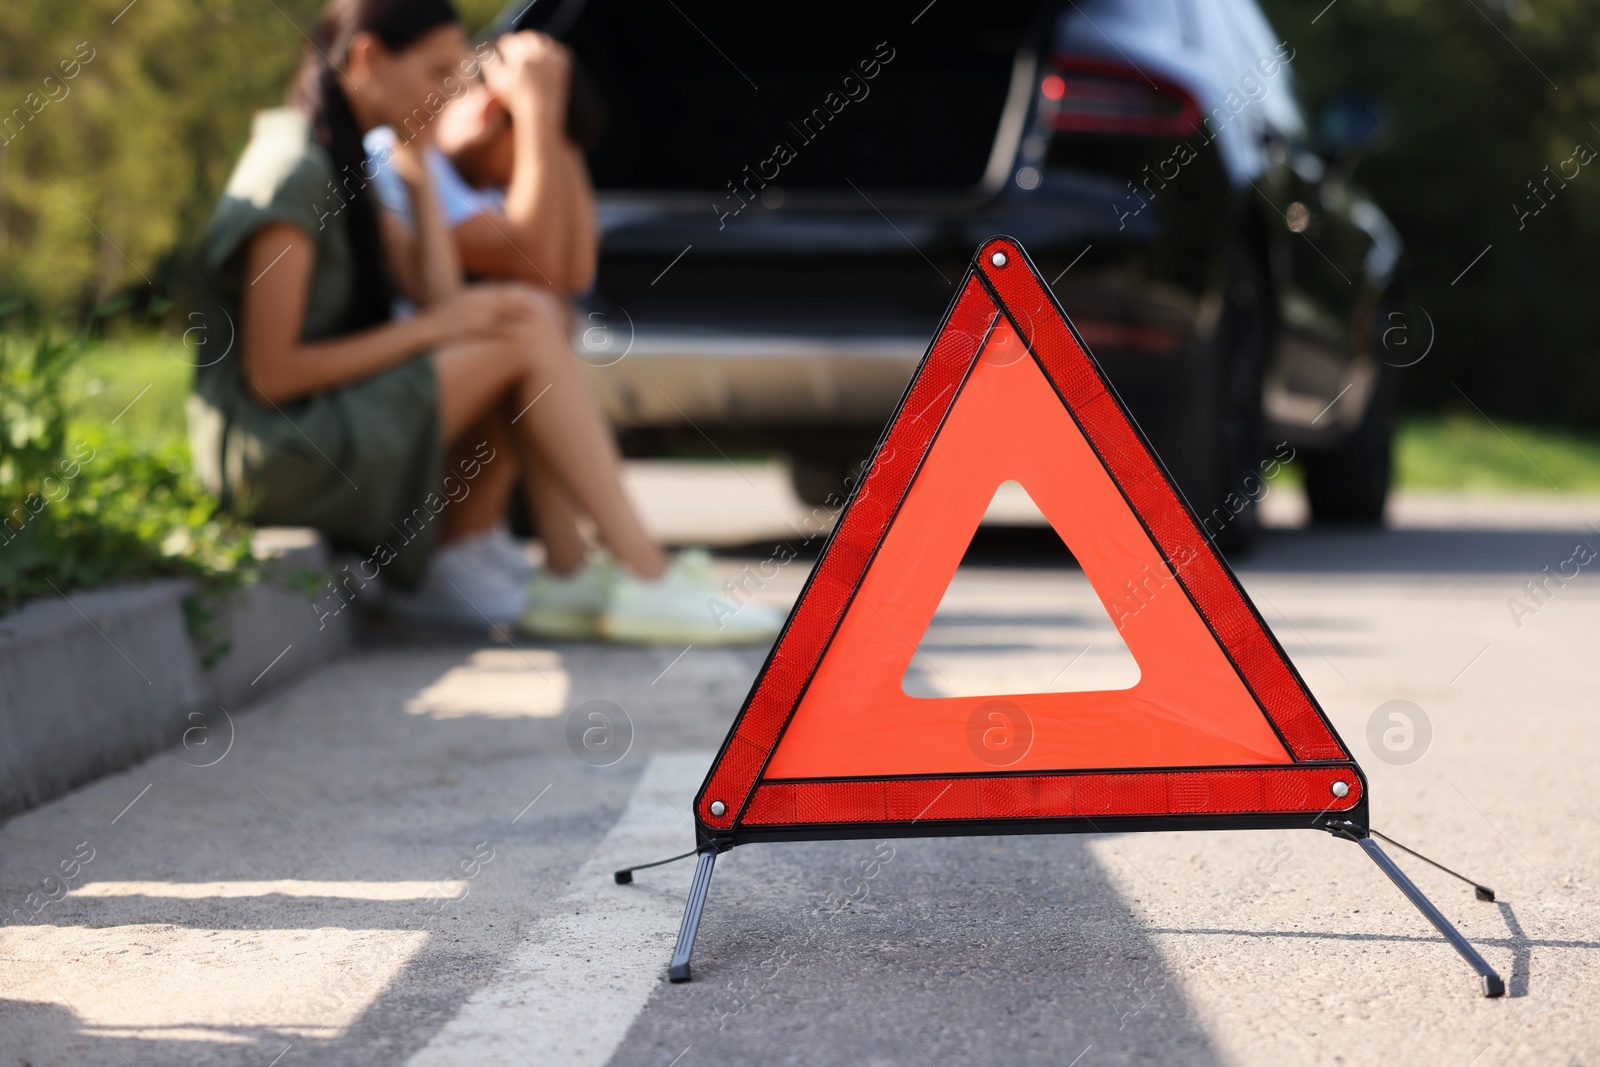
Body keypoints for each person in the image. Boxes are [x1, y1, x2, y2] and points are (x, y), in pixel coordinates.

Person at [187, 0, 780, 646]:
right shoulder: (293, 175)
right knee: (523, 319)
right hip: (272, 457)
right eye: (438, 73)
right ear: (366, 60)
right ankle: (644, 573)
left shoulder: (347, 159)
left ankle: (575, 571)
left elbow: (441, 298)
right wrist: (435, 330)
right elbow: (273, 375)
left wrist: (416, 174)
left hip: (313, 434)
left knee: (522, 314)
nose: (447, 94)